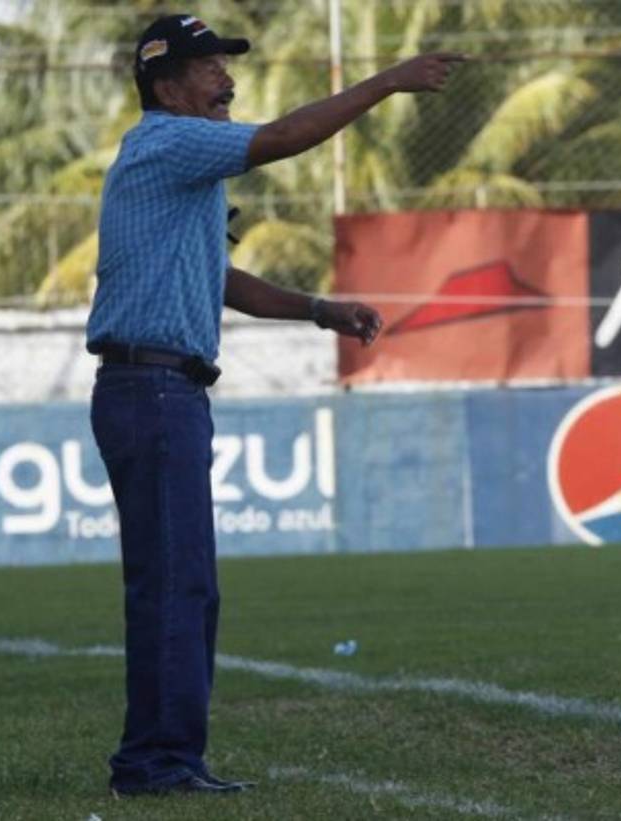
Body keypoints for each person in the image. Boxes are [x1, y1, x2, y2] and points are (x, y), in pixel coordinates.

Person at [86, 13, 465, 798]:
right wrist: (388, 80)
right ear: (165, 85)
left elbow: (223, 282)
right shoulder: (167, 140)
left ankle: (167, 757)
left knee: (183, 582)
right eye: (210, 66)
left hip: (163, 389)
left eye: (228, 62)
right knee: (174, 583)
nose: (227, 76)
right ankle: (156, 763)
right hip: (152, 388)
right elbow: (288, 136)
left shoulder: (181, 165)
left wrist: (320, 309)